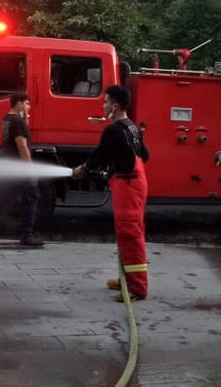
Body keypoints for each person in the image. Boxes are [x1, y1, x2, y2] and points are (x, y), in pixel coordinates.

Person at [73, 85, 150, 302]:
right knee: (130, 233)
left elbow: (99, 155)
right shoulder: (131, 127)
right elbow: (145, 155)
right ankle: (126, 278)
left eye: (105, 102)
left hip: (127, 184)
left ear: (115, 106)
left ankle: (136, 289)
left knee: (130, 235)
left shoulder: (113, 130)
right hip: (135, 182)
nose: (103, 105)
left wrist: (84, 170)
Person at [0, 92, 44, 247]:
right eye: (27, 103)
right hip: (19, 166)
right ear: (18, 104)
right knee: (32, 197)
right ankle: (27, 235)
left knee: (5, 198)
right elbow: (22, 145)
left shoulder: (7, 118)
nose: (29, 106)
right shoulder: (17, 121)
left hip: (10, 164)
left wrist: (24, 120)